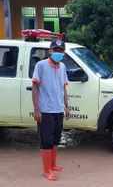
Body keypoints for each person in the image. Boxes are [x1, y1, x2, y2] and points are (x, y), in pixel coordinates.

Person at [32, 39, 70, 181]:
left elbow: (64, 88)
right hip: (46, 110)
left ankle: (53, 165)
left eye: (61, 51)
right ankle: (46, 170)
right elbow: (35, 88)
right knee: (46, 141)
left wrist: (67, 106)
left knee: (55, 139)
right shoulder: (41, 66)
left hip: (58, 110)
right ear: (50, 51)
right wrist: (37, 109)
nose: (58, 53)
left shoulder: (63, 67)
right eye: (55, 50)